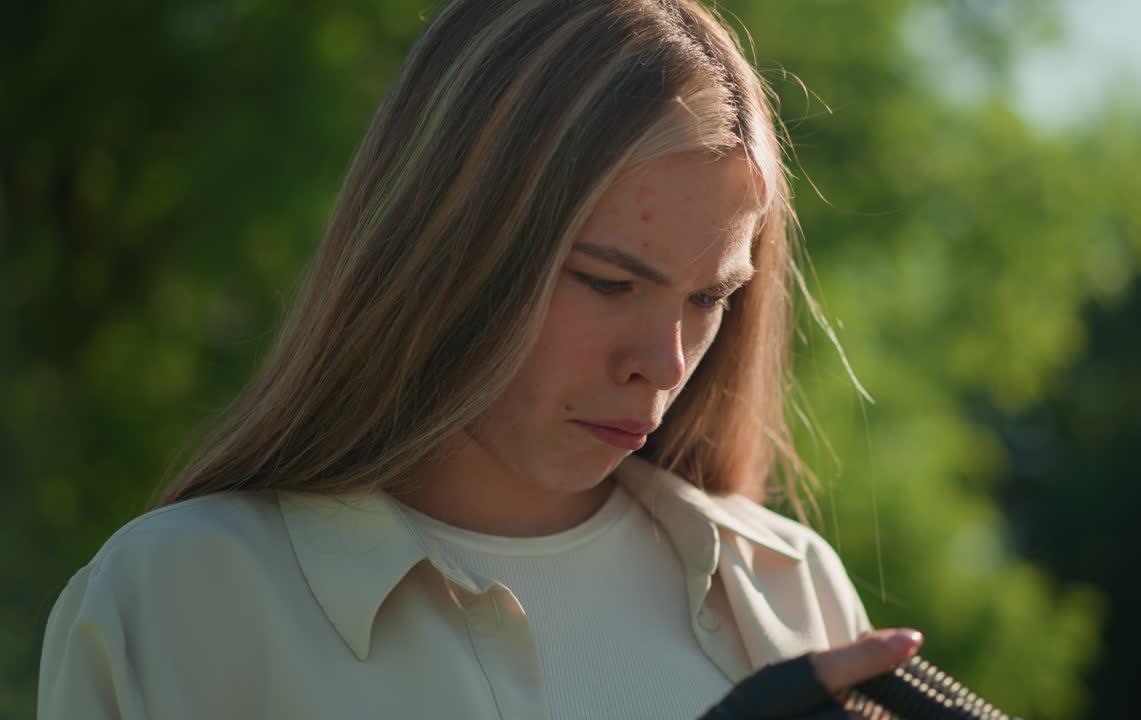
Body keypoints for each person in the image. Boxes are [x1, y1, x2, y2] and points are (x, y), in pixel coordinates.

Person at [37, 0, 924, 717]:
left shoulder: (788, 588)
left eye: (709, 299)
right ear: (454, 245)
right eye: (610, 282)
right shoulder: (180, 601)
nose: (663, 361)